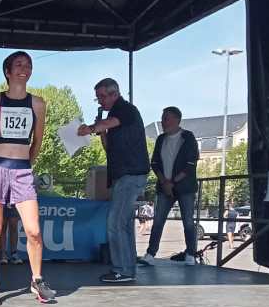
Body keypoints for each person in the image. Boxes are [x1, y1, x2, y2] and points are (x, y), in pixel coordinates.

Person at [0, 51, 55, 306]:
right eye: (19, 64)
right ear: (7, 72)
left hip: (23, 170)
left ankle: (37, 280)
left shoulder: (38, 104)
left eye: (28, 65)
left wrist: (25, 163)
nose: (24, 69)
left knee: (33, 230)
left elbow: (38, 139)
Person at [78, 77, 149, 283]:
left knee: (115, 222)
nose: (100, 101)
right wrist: (101, 132)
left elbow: (110, 122)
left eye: (102, 96)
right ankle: (128, 267)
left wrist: (92, 127)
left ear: (114, 94)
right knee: (123, 223)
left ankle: (122, 269)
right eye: (98, 98)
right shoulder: (117, 115)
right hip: (124, 174)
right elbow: (108, 147)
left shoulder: (125, 109)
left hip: (130, 173)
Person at [141, 106, 200, 266]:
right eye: (162, 118)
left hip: (185, 188)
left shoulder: (188, 137)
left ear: (177, 120)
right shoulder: (161, 139)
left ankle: (190, 254)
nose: (163, 122)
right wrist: (164, 181)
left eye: (166, 118)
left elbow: (190, 164)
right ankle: (150, 253)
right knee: (158, 220)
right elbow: (154, 163)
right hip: (164, 186)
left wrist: (172, 182)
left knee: (188, 221)